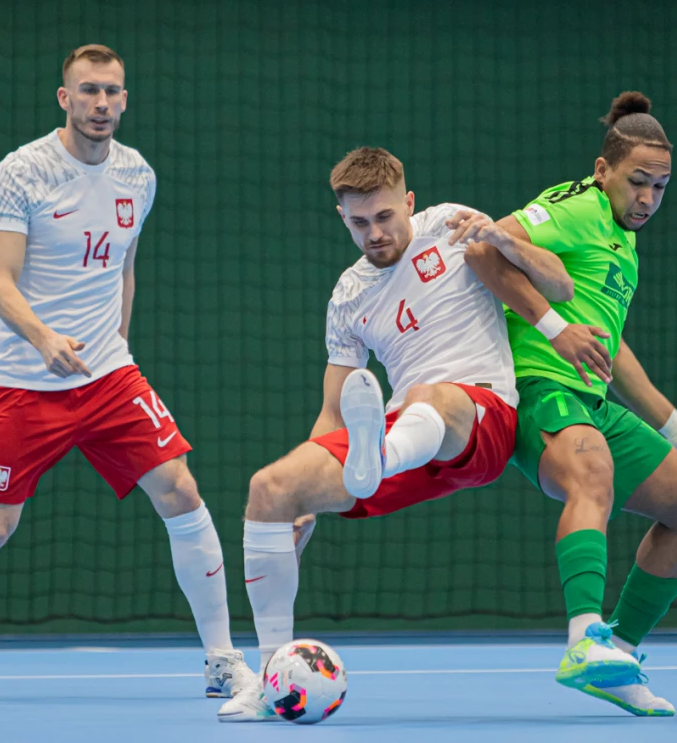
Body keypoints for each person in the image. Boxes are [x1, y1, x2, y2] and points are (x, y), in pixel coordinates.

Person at [0, 45, 253, 700]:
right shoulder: (22, 172)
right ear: (65, 97)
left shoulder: (138, 175)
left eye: (112, 91)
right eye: (88, 90)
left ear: (125, 99)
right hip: (23, 381)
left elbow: (124, 266)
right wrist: (43, 339)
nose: (101, 103)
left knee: (181, 490)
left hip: (109, 376)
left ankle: (222, 660)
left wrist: (119, 343)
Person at [218, 146, 612, 722]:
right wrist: (306, 505)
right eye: (359, 222)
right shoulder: (347, 296)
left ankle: (379, 456)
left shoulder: (451, 226)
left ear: (409, 202)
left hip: (479, 420)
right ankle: (271, 677)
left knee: (430, 396)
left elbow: (560, 287)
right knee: (269, 489)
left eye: (384, 216)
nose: (374, 233)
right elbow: (332, 413)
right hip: (400, 437)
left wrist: (502, 240)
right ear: (342, 217)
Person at [470, 91, 677, 717]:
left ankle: (617, 656)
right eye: (638, 181)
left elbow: (610, 349)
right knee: (594, 476)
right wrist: (554, 326)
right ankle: (583, 638)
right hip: (540, 389)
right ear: (602, 170)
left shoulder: (622, 240)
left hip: (589, 400)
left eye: (660, 187)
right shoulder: (578, 206)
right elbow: (482, 248)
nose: (648, 198)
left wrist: (673, 425)